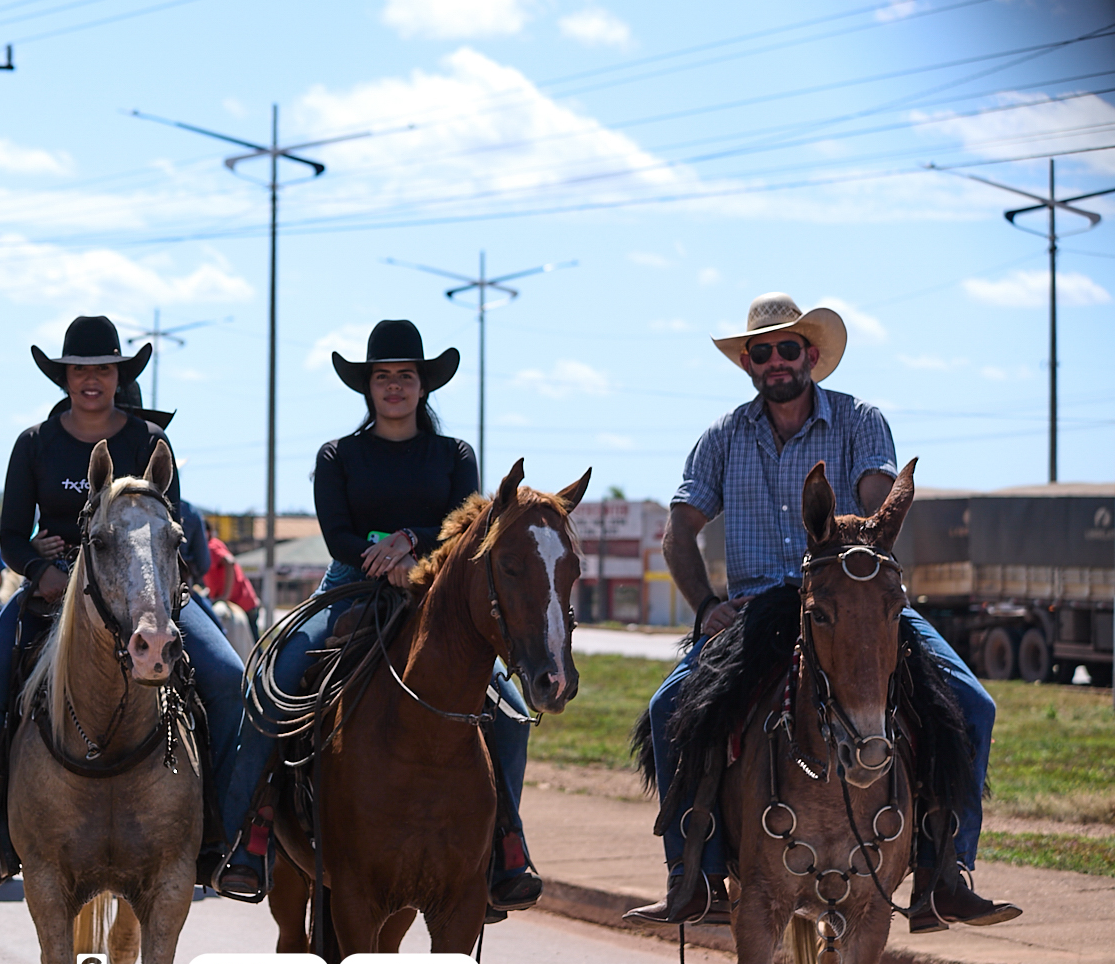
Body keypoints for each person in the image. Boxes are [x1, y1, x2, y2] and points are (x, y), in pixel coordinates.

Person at [626, 293, 1020, 931]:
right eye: (762, 351)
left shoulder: (860, 421)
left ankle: (945, 872)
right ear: (748, 363)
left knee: (974, 705)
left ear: (811, 354)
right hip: (756, 610)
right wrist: (706, 607)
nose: (775, 360)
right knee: (667, 707)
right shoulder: (722, 438)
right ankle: (695, 876)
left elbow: (876, 506)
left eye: (787, 348)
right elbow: (679, 532)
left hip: (851, 597)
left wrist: (849, 560)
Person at [212, 321, 541, 909]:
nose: (394, 386)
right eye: (383, 376)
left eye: (405, 376)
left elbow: (464, 526)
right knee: (274, 682)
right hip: (349, 588)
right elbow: (336, 534)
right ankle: (246, 835)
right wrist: (382, 554)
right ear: (367, 386)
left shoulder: (454, 455)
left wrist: (410, 543)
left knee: (512, 712)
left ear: (423, 386)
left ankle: (505, 845)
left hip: (434, 596)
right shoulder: (338, 454)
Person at [0, 315, 248, 888]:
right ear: (64, 377)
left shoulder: (150, 441)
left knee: (229, 678)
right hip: (53, 590)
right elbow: (10, 536)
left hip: (149, 590)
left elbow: (171, 531)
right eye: (80, 370)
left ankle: (225, 836)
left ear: (119, 376)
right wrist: (39, 570)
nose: (92, 379)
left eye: (104, 369)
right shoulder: (34, 443)